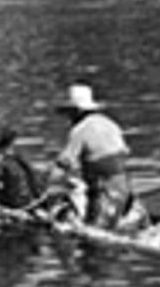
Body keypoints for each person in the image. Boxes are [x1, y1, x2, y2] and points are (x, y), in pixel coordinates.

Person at [49, 83, 147, 231]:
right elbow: (123, 152)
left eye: (69, 113)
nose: (68, 118)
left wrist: (50, 183)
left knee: (91, 234)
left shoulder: (80, 131)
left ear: (77, 111)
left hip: (104, 190)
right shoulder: (110, 124)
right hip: (125, 186)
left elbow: (64, 163)